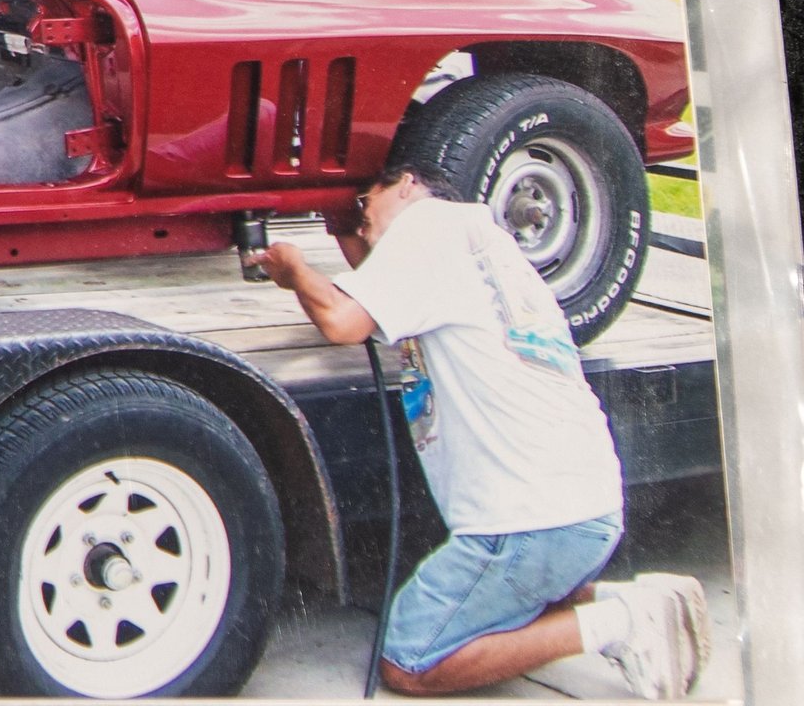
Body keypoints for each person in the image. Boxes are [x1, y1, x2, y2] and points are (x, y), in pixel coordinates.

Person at [254, 163, 710, 700]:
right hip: (577, 511)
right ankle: (629, 604)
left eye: (363, 204)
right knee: (504, 607)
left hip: (528, 521)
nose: (362, 220)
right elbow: (376, 297)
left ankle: (626, 620)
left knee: (413, 663)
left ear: (406, 184)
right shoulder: (473, 242)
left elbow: (342, 320)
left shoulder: (423, 227)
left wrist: (296, 270)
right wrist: (349, 232)